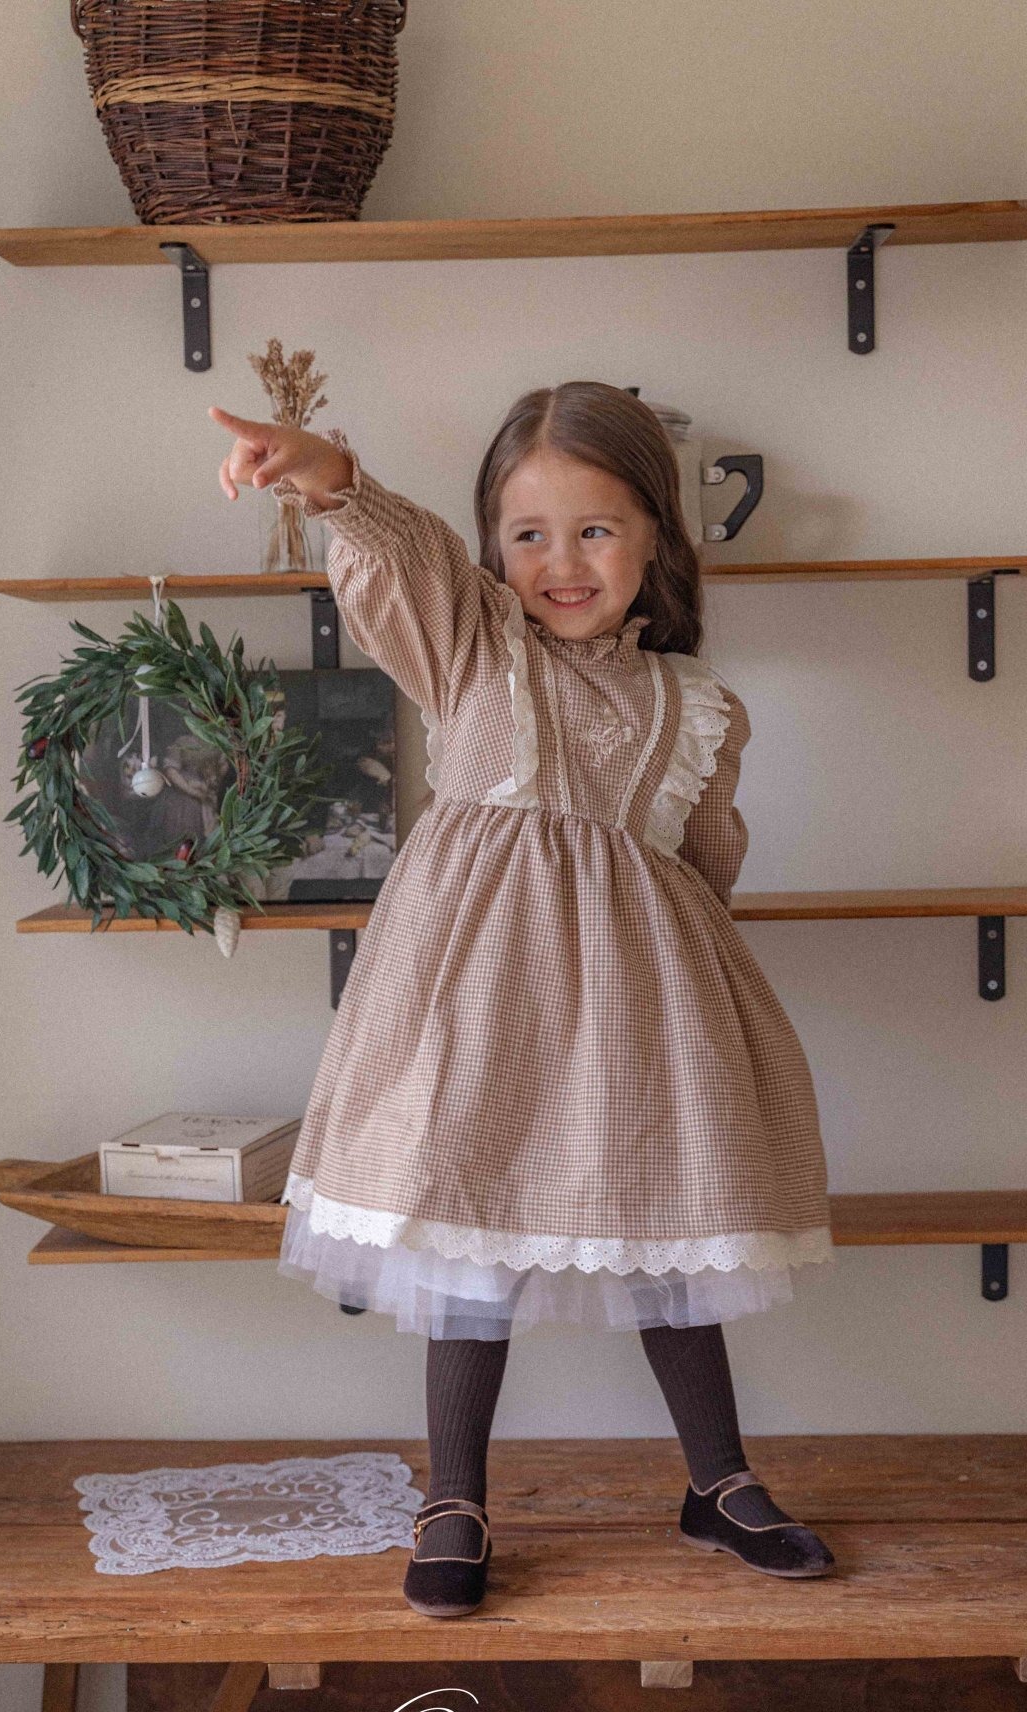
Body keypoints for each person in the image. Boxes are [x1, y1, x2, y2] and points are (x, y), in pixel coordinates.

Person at [210, 383, 838, 1619]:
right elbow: (402, 558)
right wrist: (331, 477)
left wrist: (695, 994)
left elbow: (706, 858)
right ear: (493, 548)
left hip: (632, 1019)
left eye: (595, 530)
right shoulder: (474, 650)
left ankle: (717, 1481)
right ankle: (454, 1499)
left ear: (654, 537)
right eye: (528, 534)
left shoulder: (693, 705)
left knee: (668, 1233)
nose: (561, 563)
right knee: (467, 1235)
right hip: (475, 1006)